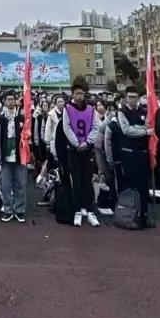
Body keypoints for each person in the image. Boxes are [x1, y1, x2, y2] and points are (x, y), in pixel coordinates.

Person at [106, 85, 152, 228]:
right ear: (126, 98)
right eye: (130, 97)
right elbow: (126, 131)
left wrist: (140, 129)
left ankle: (143, 216)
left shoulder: (144, 111)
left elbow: (148, 127)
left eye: (135, 97)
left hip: (143, 153)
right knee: (130, 186)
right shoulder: (122, 112)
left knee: (144, 187)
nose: (133, 100)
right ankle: (129, 216)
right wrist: (144, 131)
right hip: (128, 153)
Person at [62, 81, 101, 227]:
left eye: (81, 94)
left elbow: (95, 127)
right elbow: (66, 127)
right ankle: (77, 210)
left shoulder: (91, 109)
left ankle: (90, 210)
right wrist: (76, 143)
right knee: (77, 181)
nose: (79, 96)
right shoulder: (68, 108)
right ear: (72, 94)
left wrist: (88, 142)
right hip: (74, 149)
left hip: (87, 149)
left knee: (88, 181)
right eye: (76, 93)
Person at [0, 90, 27, 223]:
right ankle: (8, 209)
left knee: (20, 184)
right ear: (4, 102)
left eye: (13, 99)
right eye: (8, 100)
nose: (11, 102)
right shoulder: (0, 119)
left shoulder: (22, 118)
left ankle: (20, 209)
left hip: (19, 157)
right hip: (5, 157)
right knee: (5, 185)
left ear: (16, 101)